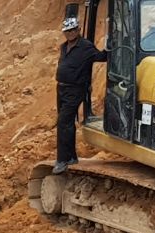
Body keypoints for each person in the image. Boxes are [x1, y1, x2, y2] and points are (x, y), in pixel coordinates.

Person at [54, 16, 107, 174]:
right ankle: (71, 157)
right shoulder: (64, 47)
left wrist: (111, 46)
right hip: (61, 89)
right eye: (67, 31)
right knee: (67, 123)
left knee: (63, 122)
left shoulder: (86, 47)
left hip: (75, 90)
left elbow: (102, 57)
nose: (69, 33)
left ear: (78, 30)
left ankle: (62, 160)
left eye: (72, 30)